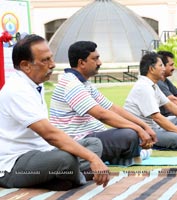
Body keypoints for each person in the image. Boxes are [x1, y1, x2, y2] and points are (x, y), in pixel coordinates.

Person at [0, 34, 109, 190]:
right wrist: (92, 158)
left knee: (93, 143)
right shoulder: (17, 90)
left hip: (42, 154)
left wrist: (89, 155)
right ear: (25, 65)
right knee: (65, 159)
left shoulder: (35, 83)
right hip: (13, 165)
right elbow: (50, 134)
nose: (53, 64)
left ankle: (62, 177)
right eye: (45, 60)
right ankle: (73, 175)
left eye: (51, 58)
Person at [50, 41, 157, 166]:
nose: (99, 63)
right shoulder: (71, 84)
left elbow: (112, 108)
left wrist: (144, 126)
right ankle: (130, 156)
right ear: (81, 63)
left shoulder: (85, 84)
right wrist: (138, 129)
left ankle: (126, 156)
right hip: (81, 142)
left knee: (132, 132)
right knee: (130, 134)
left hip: (92, 137)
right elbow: (101, 114)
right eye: (95, 59)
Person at [124, 52, 177, 150]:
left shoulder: (153, 85)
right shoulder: (144, 87)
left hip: (154, 127)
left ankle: (171, 135)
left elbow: (170, 104)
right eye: (161, 65)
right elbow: (157, 117)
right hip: (143, 131)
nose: (163, 68)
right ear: (151, 69)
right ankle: (146, 142)